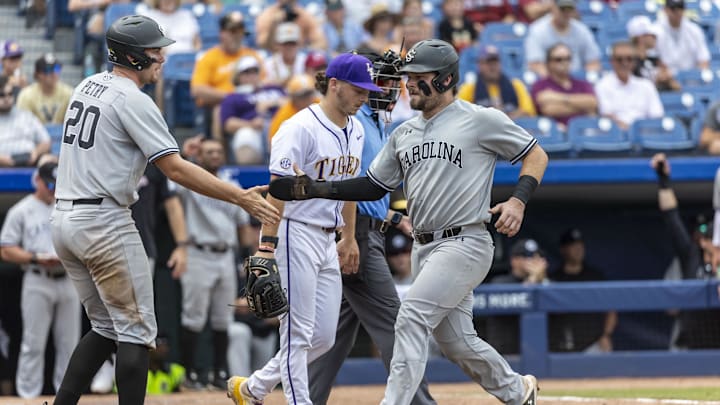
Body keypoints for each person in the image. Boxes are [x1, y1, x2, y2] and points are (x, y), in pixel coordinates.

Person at [268, 39, 546, 405]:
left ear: (446, 80)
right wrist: (312, 188)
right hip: (424, 246)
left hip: (466, 241)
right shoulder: (404, 132)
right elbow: (370, 186)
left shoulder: (480, 119)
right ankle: (516, 391)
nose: (408, 83)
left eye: (419, 76)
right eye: (407, 76)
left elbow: (535, 155)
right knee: (457, 342)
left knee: (411, 317)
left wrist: (517, 200)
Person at [49, 15, 279, 405]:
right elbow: (173, 168)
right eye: (155, 51)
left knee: (106, 327)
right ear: (135, 57)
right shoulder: (133, 99)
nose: (162, 57)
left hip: (65, 220)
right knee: (137, 333)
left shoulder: (87, 85)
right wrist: (239, 196)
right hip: (104, 221)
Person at [226, 52, 381, 405]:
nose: (364, 97)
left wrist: (348, 236)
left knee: (323, 338)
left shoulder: (356, 128)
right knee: (297, 334)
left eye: (367, 91)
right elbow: (278, 191)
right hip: (295, 230)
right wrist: (266, 246)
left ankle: (252, 388)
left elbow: (350, 188)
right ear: (335, 84)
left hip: (328, 236)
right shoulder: (298, 128)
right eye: (358, 90)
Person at [307, 50, 436, 405]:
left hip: (367, 230)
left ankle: (303, 399)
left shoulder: (376, 121)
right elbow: (348, 185)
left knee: (336, 336)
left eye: (396, 82)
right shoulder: (356, 119)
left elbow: (371, 189)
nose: (392, 89)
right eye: (384, 81)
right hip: (356, 236)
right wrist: (349, 236)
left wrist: (394, 217)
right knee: (397, 325)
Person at [0, 157, 81, 399]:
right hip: (37, 277)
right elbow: (5, 249)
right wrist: (35, 258)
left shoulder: (71, 205)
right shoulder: (21, 210)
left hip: (68, 278)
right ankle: (28, 396)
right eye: (48, 184)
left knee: (69, 343)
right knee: (33, 342)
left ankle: (66, 396)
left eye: (56, 184)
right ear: (37, 181)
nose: (52, 189)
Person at [176, 139, 251, 390]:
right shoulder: (190, 182)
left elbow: (243, 225)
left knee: (223, 318)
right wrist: (187, 155)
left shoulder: (231, 186)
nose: (215, 155)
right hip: (198, 252)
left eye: (219, 151)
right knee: (194, 316)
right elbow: (170, 180)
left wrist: (246, 260)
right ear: (200, 157)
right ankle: (191, 374)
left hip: (225, 255)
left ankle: (219, 373)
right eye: (209, 152)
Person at [653, 153, 720, 349]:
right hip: (692, 344)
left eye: (708, 236)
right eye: (701, 236)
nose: (704, 240)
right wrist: (664, 182)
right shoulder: (691, 254)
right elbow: (671, 217)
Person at [548, 228, 617, 353]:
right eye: (573, 246)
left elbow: (611, 310)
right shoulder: (554, 278)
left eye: (580, 245)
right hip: (562, 346)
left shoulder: (595, 276)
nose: (578, 249)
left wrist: (606, 334)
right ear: (563, 249)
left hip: (593, 344)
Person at [487, 238, 548, 355]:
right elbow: (520, 299)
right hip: (504, 354)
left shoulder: (545, 283)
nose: (535, 262)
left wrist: (541, 280)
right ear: (514, 260)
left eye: (538, 257)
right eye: (528, 257)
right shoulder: (500, 282)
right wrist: (533, 279)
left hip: (537, 353)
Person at [221, 56, 286, 165]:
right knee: (245, 135)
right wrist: (251, 124)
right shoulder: (233, 97)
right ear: (238, 76)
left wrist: (272, 103)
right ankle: (251, 176)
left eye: (254, 71)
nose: (251, 76)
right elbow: (228, 124)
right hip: (253, 129)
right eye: (246, 72)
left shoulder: (273, 89)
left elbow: (293, 102)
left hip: (281, 124)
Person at [595, 41, 664, 130]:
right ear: (612, 61)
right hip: (616, 136)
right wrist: (632, 132)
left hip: (646, 133)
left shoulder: (646, 86)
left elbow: (657, 116)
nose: (625, 63)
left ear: (635, 62)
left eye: (629, 59)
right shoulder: (602, 86)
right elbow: (607, 116)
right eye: (619, 59)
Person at [524, 0, 601, 77]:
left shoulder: (582, 30)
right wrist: (557, 82)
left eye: (569, 9)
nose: (566, 13)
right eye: (562, 9)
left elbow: (593, 62)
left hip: (576, 80)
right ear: (553, 8)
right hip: (548, 81)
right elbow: (535, 65)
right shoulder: (538, 30)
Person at [458, 44, 536, 119]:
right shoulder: (470, 87)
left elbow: (528, 112)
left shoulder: (516, 85)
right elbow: (459, 114)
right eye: (488, 63)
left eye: (495, 62)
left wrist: (502, 119)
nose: (492, 67)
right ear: (480, 65)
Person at [530, 43, 597, 128]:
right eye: (559, 59)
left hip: (583, 132)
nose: (564, 62)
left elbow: (592, 103)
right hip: (554, 135)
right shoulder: (540, 85)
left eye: (568, 58)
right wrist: (582, 108)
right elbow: (548, 110)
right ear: (548, 62)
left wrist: (557, 98)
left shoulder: (583, 84)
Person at [0, 74, 51, 167]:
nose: (7, 98)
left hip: (29, 161)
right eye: (2, 95)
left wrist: (35, 153)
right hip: (2, 165)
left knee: (48, 160)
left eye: (10, 94)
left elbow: (46, 141)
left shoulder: (26, 116)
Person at [655, 0, 710, 74]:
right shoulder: (655, 30)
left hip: (691, 79)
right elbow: (653, 58)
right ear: (665, 10)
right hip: (665, 78)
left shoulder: (694, 30)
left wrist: (699, 76)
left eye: (680, 8)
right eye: (673, 8)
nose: (677, 12)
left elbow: (703, 59)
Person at [17, 53, 73, 125]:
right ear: (38, 74)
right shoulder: (26, 95)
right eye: (49, 70)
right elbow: (24, 124)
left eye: (57, 68)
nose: (54, 74)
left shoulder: (68, 93)